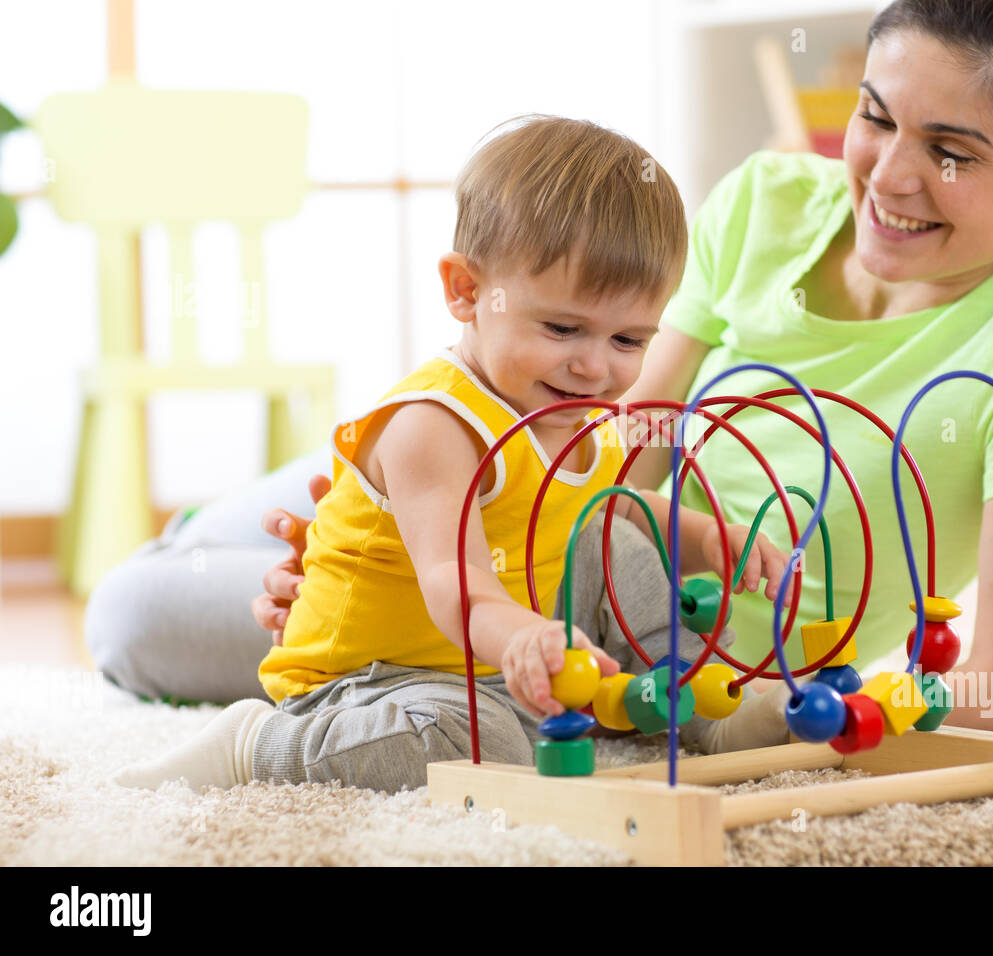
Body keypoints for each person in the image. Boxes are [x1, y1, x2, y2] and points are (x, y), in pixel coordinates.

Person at [90, 0, 993, 738]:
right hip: (496, 478)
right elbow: (618, 430)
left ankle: (238, 551)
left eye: (951, 150)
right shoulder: (774, 199)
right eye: (873, 114)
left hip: (584, 594)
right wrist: (397, 550)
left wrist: (830, 703)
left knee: (129, 613)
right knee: (245, 548)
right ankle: (234, 536)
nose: (887, 177)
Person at [110, 115, 795, 795]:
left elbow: (608, 506)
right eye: (563, 328)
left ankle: (701, 712)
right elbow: (452, 582)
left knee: (618, 536)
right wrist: (525, 635)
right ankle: (257, 745)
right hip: (381, 677)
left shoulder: (580, 414)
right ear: (466, 291)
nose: (595, 367)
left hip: (503, 656)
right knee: (478, 744)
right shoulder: (434, 425)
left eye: (628, 341)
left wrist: (708, 537)